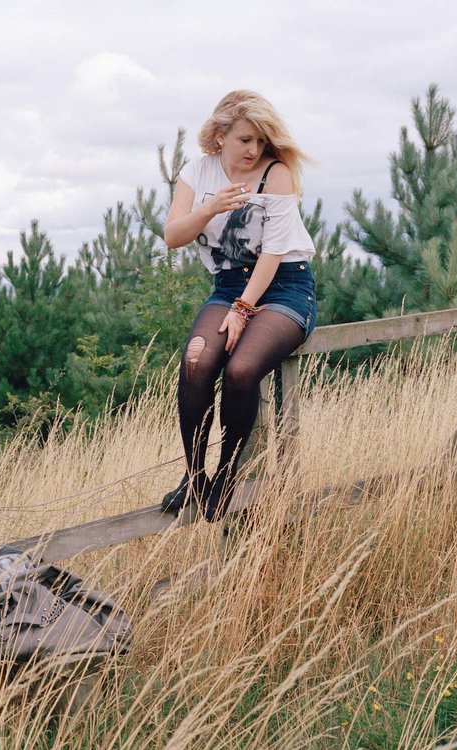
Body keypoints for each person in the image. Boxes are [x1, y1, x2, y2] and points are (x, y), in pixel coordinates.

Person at [160, 90, 317, 522]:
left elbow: (273, 252)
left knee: (242, 369)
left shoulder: (276, 174)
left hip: (285, 286)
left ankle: (227, 477)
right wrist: (211, 206)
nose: (254, 150)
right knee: (196, 361)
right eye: (245, 139)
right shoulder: (199, 170)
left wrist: (244, 309)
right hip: (227, 285)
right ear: (220, 134)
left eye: (261, 141)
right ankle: (195, 477)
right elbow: (173, 235)